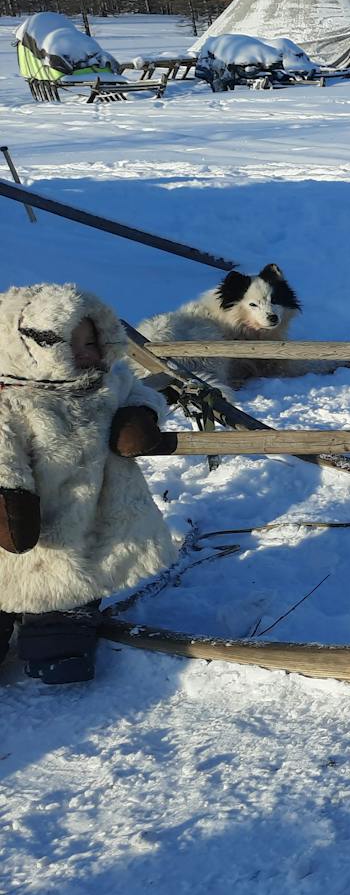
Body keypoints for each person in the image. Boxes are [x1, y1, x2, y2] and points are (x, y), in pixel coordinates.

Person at [0, 283, 177, 683]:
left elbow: (140, 393)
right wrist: (7, 499)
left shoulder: (106, 381)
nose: (84, 352)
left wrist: (139, 417)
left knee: (72, 582)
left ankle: (59, 642)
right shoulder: (10, 398)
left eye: (91, 341)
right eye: (69, 342)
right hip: (23, 514)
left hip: (90, 512)